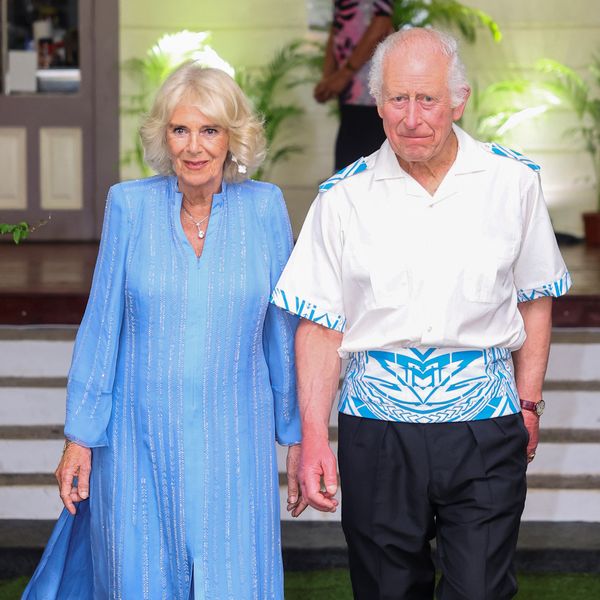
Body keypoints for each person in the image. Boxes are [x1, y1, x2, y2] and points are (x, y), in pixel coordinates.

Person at [272, 27, 572, 599]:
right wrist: (313, 438)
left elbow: (535, 297)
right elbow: (317, 325)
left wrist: (529, 402)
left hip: (485, 423)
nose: (412, 117)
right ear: (377, 104)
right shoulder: (341, 197)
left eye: (427, 99)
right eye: (398, 100)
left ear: (458, 100)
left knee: (481, 591)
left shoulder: (514, 182)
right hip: (376, 431)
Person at [23, 63, 304, 600]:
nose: (194, 147)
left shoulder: (265, 208)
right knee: (141, 579)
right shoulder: (129, 206)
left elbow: (280, 331)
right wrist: (81, 435)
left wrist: (295, 436)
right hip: (136, 441)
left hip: (234, 443)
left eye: (210, 130)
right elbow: (102, 326)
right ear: (163, 137)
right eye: (180, 130)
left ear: (232, 138)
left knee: (235, 580)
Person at [314, 0, 394, 170]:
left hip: (371, 94)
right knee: (346, 172)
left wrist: (343, 74)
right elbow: (337, 26)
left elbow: (381, 24)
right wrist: (329, 78)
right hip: (349, 95)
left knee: (371, 170)